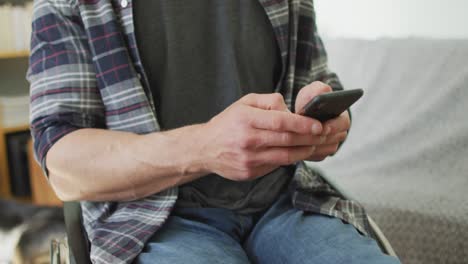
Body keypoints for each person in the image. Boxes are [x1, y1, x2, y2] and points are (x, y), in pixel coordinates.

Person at [28, 0, 401, 263]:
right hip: (153, 221)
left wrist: (328, 121)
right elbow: (64, 167)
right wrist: (204, 148)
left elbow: (320, 85)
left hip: (287, 203)